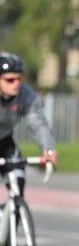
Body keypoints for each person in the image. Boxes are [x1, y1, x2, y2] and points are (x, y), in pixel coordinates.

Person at [0, 52, 58, 195]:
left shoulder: (25, 95)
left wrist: (48, 148)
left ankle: (17, 210)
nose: (16, 84)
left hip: (4, 141)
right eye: (10, 80)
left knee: (18, 180)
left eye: (19, 78)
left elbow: (38, 123)